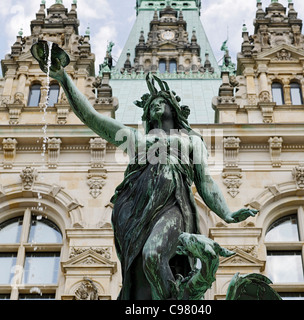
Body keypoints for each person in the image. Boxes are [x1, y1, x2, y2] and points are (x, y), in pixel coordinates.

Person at [33, 43, 257, 300]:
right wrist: (63, 78)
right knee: (140, 272)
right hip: (135, 206)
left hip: (173, 203)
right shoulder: (138, 142)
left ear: (173, 108)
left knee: (153, 254)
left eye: (160, 101)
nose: (155, 106)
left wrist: (227, 214)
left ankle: (175, 296)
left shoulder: (190, 140)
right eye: (151, 105)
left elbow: (205, 181)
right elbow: (92, 118)